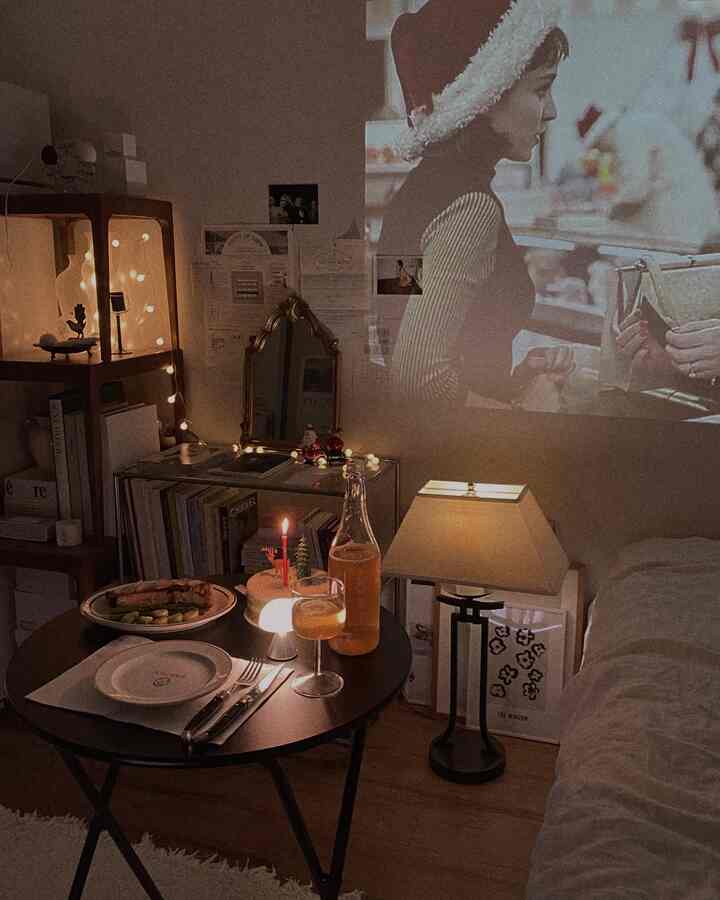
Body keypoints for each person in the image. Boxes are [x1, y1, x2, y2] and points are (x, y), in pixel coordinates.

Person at [378, 0, 574, 412]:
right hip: (461, 460)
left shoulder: (417, 192)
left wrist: (515, 381)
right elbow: (417, 381)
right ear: (487, 94)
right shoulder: (471, 209)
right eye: (541, 89)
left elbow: (401, 339)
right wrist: (525, 416)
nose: (552, 111)